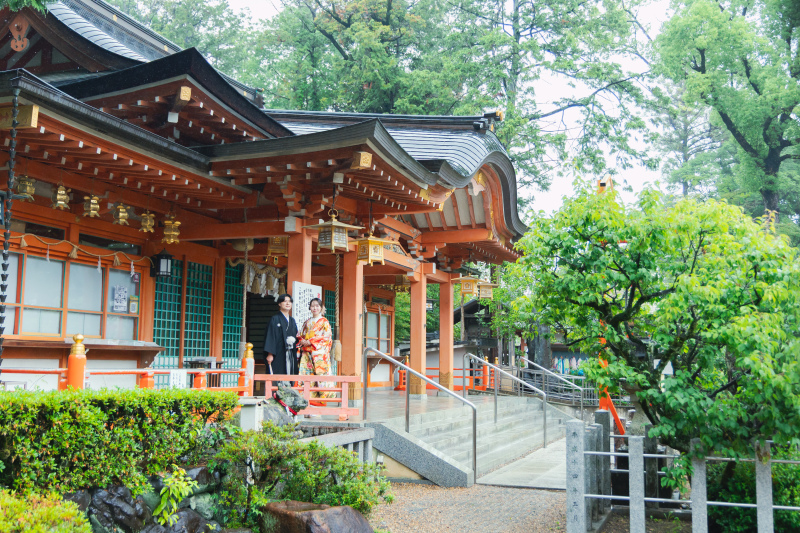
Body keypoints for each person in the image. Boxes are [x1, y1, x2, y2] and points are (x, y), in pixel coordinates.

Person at [296, 298, 334, 402]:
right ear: (310, 308)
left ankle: (320, 403)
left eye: (317, 306)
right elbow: (300, 335)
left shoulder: (324, 322)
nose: (315, 308)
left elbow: (327, 338)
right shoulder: (307, 322)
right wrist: (303, 340)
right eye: (312, 306)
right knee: (306, 377)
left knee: (320, 378)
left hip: (319, 355)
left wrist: (311, 341)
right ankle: (306, 401)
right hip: (307, 354)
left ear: (321, 308)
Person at [262, 293, 298, 377]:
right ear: (279, 304)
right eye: (285, 301)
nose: (288, 303)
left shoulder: (292, 320)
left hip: (290, 353)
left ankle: (289, 390)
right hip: (278, 353)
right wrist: (270, 354)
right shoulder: (275, 319)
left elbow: (296, 336)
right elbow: (271, 336)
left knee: (290, 373)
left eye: (289, 301)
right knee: (277, 373)